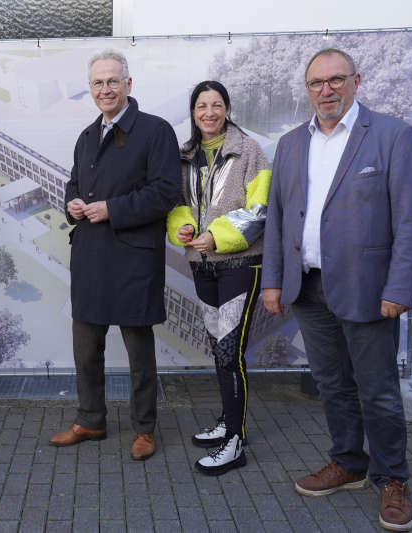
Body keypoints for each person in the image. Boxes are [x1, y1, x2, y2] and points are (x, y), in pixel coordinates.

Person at [262, 48, 412, 531]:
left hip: (369, 290)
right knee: (333, 385)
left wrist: (400, 287)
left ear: (356, 81)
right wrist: (274, 279)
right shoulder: (293, 143)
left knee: (377, 390)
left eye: (336, 80)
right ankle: (349, 463)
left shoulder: (393, 137)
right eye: (317, 83)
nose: (326, 90)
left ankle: (392, 479)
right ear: (308, 89)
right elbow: (277, 216)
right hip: (309, 287)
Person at [49, 49, 181, 460]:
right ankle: (90, 418)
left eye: (112, 81)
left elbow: (165, 192)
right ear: (90, 89)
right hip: (90, 255)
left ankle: (145, 428)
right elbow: (74, 183)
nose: (105, 89)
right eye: (97, 83)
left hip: (133, 259)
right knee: (86, 350)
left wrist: (112, 209)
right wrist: (71, 203)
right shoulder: (87, 135)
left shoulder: (156, 131)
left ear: (128, 84)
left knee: (139, 353)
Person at [166, 80, 271, 475]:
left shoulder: (249, 151)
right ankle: (228, 421)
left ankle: (235, 442)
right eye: (201, 106)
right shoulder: (185, 155)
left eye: (216, 105)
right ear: (193, 113)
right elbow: (177, 205)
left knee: (230, 352)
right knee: (218, 348)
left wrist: (218, 237)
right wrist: (184, 230)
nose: (209, 112)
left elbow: (259, 209)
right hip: (202, 264)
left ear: (227, 108)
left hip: (240, 264)